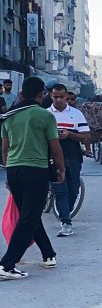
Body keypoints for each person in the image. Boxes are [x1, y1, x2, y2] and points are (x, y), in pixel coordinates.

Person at [0, 77, 64, 278]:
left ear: (21, 93)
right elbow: (55, 146)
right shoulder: (44, 116)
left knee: (30, 213)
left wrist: (9, 167)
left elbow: (4, 148)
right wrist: (61, 169)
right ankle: (7, 264)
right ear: (41, 94)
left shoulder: (8, 116)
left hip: (14, 169)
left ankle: (48, 254)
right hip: (35, 169)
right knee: (29, 216)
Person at [47, 84, 90, 237]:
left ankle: (66, 211)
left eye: (61, 97)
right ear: (50, 96)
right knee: (61, 191)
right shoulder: (45, 114)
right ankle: (66, 222)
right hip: (52, 158)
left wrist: (70, 134)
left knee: (73, 189)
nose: (58, 100)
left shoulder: (76, 114)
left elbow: (85, 136)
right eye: (55, 97)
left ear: (66, 97)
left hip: (73, 157)